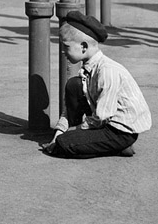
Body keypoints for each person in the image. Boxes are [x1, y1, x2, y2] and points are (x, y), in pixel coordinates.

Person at [41, 10, 151, 158]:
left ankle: (118, 147)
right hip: (104, 123)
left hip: (120, 131)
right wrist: (58, 133)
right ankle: (89, 142)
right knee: (74, 85)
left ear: (83, 47)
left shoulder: (107, 71)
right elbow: (70, 109)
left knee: (65, 144)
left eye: (66, 46)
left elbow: (101, 117)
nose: (62, 51)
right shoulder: (89, 68)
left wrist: (74, 132)